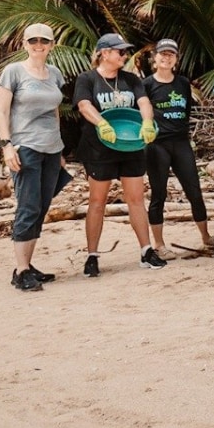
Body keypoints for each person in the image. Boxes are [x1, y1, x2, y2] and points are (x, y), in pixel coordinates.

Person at [74, 33, 166, 275]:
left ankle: (146, 250)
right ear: (104, 53)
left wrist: (147, 122)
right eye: (120, 52)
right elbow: (84, 105)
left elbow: (144, 103)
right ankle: (92, 256)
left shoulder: (131, 79)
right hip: (99, 149)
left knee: (136, 199)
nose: (125, 56)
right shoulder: (87, 79)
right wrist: (101, 123)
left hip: (131, 146)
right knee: (97, 201)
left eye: (125, 51)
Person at [0, 23, 71, 292]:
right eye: (33, 40)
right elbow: (2, 112)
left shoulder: (55, 74)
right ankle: (21, 270)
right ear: (25, 44)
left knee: (41, 207)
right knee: (27, 207)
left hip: (51, 148)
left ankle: (28, 264)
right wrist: (7, 145)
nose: (39, 45)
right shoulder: (13, 72)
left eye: (44, 41)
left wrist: (60, 150)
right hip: (25, 147)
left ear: (51, 45)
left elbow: (55, 112)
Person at [142, 39, 211, 256]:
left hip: (181, 142)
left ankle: (206, 237)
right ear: (155, 58)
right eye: (162, 54)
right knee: (158, 194)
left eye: (171, 54)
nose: (166, 57)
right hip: (156, 145)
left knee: (194, 191)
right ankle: (159, 244)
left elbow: (187, 111)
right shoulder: (146, 85)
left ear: (176, 59)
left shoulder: (182, 83)